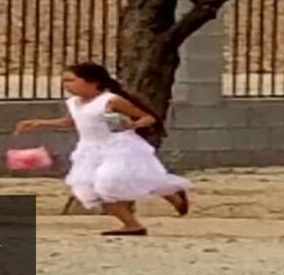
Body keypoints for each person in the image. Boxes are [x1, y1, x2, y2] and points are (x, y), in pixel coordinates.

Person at [14, 62, 190, 236]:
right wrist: (40, 123)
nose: (67, 85)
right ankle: (132, 225)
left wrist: (133, 125)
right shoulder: (74, 102)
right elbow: (71, 121)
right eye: (65, 81)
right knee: (90, 189)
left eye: (72, 80)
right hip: (89, 150)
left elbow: (148, 118)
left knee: (109, 183)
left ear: (93, 82)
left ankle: (171, 193)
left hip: (119, 148)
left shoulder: (110, 100)